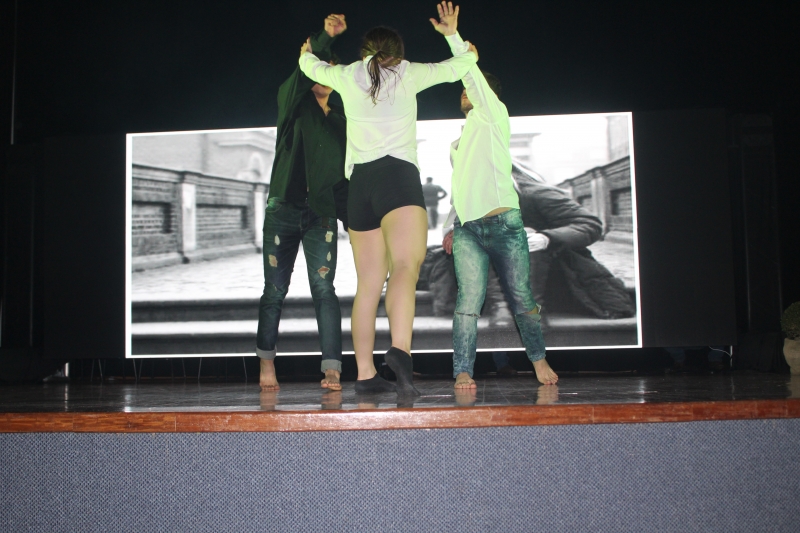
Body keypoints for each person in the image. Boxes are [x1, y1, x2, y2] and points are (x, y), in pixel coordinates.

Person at [299, 2, 477, 395]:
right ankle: (399, 351)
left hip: (360, 185)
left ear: (365, 50)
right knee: (405, 268)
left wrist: (307, 52)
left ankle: (365, 376)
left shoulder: (348, 74)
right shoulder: (408, 72)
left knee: (368, 284)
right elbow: (462, 65)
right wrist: (452, 35)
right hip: (397, 178)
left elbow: (309, 67)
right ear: (398, 51)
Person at [441, 44, 558, 389]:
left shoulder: (493, 115)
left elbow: (473, 79)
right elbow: (460, 189)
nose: (464, 93)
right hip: (468, 229)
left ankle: (538, 359)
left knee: (522, 297)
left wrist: (457, 42)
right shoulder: (458, 142)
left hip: (504, 224)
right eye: (462, 91)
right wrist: (451, 226)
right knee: (468, 302)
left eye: (470, 89)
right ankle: (463, 370)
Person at [256, 14, 350, 392]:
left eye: (331, 68)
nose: (324, 74)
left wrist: (354, 220)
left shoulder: (342, 120)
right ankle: (266, 363)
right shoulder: (293, 103)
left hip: (320, 215)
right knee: (274, 291)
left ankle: (332, 369)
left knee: (324, 290)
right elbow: (301, 74)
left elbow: (344, 177)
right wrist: (323, 39)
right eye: (319, 66)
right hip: (283, 210)